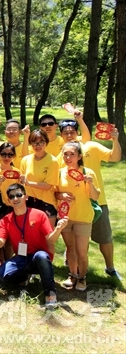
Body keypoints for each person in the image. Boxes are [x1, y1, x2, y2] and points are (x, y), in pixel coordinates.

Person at [0, 184, 69, 308]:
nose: (15, 198)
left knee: (42, 256)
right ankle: (22, 279)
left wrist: (58, 229)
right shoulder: (5, 220)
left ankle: (50, 294)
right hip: (21, 258)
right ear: (8, 201)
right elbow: (0, 243)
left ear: (26, 197)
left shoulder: (39, 214)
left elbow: (51, 239)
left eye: (19, 195)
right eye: (12, 196)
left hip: (39, 258)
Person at [59, 120, 122, 279]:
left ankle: (110, 268)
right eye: (65, 132)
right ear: (61, 135)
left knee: (104, 237)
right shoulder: (62, 155)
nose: (69, 135)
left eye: (72, 131)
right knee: (75, 240)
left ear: (78, 132)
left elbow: (115, 157)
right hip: (74, 206)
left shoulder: (91, 147)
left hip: (97, 202)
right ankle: (76, 270)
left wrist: (115, 140)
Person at [55, 142, 101, 291]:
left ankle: (82, 277)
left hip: (83, 217)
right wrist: (61, 195)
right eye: (65, 154)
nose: (68, 157)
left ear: (79, 156)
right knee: (70, 248)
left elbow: (95, 196)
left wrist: (90, 183)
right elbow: (54, 193)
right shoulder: (59, 172)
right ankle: (72, 275)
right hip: (65, 217)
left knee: (81, 252)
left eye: (72, 154)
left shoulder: (88, 172)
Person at [19, 129, 59, 226]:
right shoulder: (25, 160)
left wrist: (29, 183)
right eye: (34, 142)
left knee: (48, 234)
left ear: (46, 142)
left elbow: (48, 185)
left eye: (41, 142)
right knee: (30, 233)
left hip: (47, 202)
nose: (38, 146)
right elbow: (22, 182)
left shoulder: (53, 161)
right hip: (29, 202)